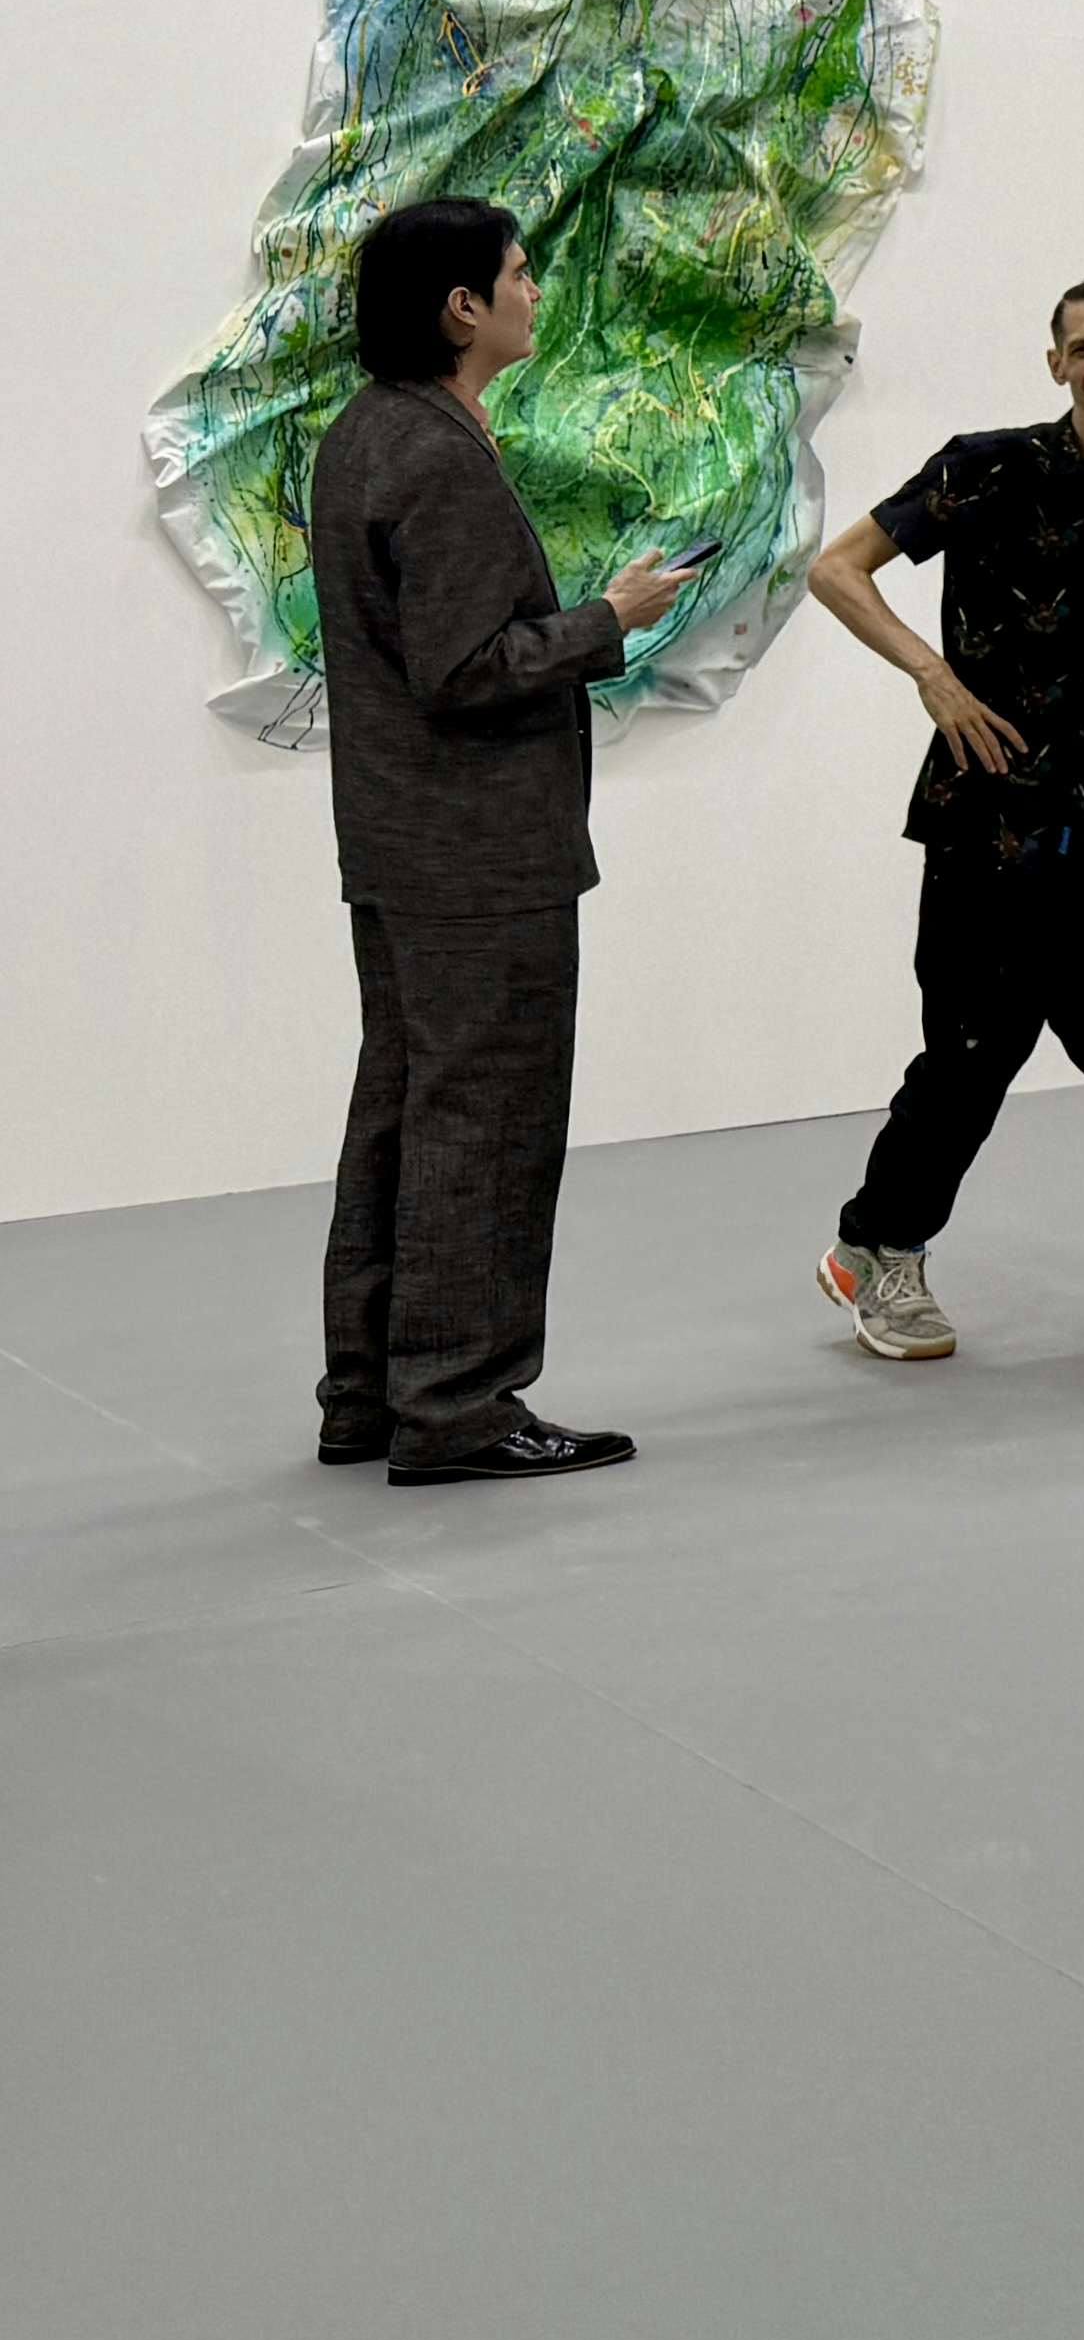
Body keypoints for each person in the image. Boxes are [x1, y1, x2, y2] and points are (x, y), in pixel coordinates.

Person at [305, 197, 693, 1481]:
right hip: (479, 851)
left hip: (402, 841)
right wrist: (610, 616)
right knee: (486, 1119)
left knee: (406, 1105)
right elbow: (466, 667)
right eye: (518, 274)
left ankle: (371, 1391)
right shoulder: (436, 457)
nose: (534, 291)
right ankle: (459, 1404)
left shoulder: (366, 434)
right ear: (461, 307)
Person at [800, 278, 1084, 1360]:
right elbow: (836, 569)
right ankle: (877, 1248)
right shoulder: (986, 467)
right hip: (986, 818)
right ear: (1056, 363)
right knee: (971, 1056)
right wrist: (933, 676)